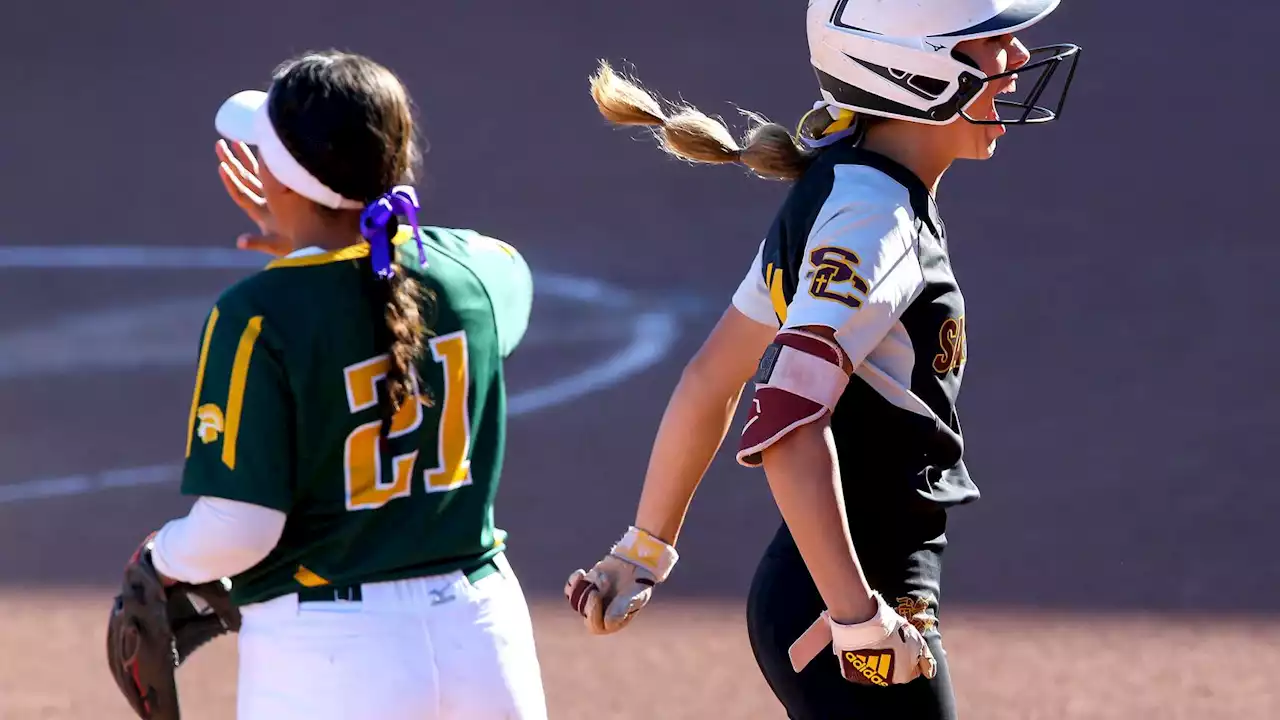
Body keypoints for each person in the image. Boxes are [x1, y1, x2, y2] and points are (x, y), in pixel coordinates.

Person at [564, 1, 1080, 717]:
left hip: (829, 593)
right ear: (916, 68)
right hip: (851, 603)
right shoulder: (874, 220)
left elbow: (712, 375)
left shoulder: (848, 185)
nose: (1019, 57)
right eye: (992, 40)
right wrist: (857, 618)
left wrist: (643, 549)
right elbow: (786, 423)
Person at [121, 50, 547, 720]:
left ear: (282, 185)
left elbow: (242, 528)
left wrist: (162, 553)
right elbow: (489, 271)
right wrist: (328, 251)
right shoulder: (478, 273)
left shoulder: (257, 316)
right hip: (484, 636)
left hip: (331, 660)